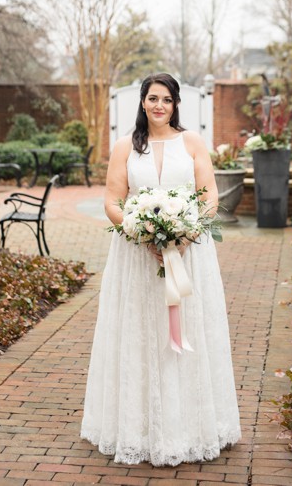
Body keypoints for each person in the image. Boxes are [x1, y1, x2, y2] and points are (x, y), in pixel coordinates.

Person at [81, 72, 240, 466]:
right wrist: (141, 234)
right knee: (139, 333)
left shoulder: (192, 143)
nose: (158, 106)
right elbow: (113, 201)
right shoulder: (124, 146)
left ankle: (192, 426)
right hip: (136, 259)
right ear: (142, 102)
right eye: (152, 98)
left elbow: (209, 195)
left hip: (190, 255)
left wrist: (185, 236)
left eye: (166, 100)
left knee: (188, 333)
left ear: (175, 104)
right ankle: (138, 429)